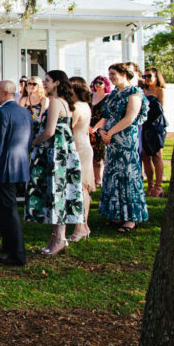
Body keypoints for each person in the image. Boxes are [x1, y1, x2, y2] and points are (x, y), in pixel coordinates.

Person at [24, 70, 85, 255]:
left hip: (55, 153)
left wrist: (33, 142)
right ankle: (56, 237)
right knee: (60, 192)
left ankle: (59, 238)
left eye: (48, 81)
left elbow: (50, 131)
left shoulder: (56, 102)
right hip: (63, 151)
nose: (44, 83)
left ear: (57, 83)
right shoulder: (65, 102)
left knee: (57, 192)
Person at [95, 62, 149, 232]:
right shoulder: (113, 94)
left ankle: (131, 218)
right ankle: (117, 214)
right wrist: (103, 131)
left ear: (124, 74)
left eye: (113, 73)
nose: (110, 76)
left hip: (126, 140)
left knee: (127, 176)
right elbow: (105, 116)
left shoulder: (134, 93)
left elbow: (130, 117)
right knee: (113, 175)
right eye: (109, 73)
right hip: (111, 141)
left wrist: (110, 132)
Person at [0, 80, 32, 266]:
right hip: (20, 163)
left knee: (8, 209)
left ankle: (17, 253)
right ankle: (7, 244)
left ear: (5, 93)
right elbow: (29, 140)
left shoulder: (2, 112)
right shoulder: (25, 112)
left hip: (5, 165)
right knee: (4, 208)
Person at [68, 76, 95, 242]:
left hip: (78, 147)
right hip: (83, 145)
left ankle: (81, 227)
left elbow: (67, 128)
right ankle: (83, 226)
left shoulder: (77, 107)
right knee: (83, 187)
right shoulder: (85, 105)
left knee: (80, 188)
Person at [141, 68, 168, 197]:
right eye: (144, 76)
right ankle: (150, 184)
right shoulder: (143, 90)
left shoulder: (159, 91)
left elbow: (162, 109)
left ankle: (158, 186)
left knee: (156, 155)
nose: (146, 78)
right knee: (145, 156)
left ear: (156, 77)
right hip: (144, 124)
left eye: (149, 76)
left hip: (156, 125)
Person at [89, 74, 111, 187]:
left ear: (105, 85)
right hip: (87, 128)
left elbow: (105, 116)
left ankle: (99, 179)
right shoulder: (89, 96)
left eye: (100, 83)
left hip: (99, 129)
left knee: (99, 156)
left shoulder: (108, 97)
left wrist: (95, 128)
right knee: (89, 155)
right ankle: (90, 178)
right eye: (95, 82)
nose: (97, 85)